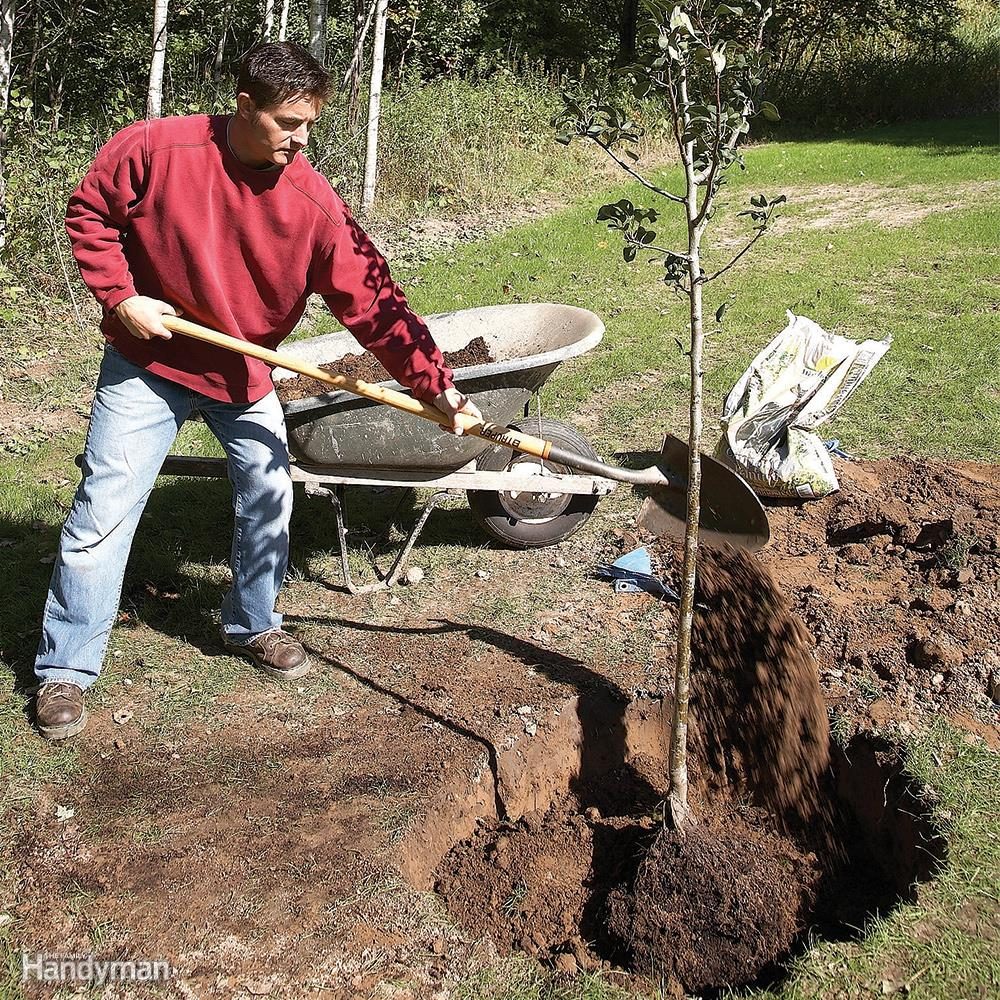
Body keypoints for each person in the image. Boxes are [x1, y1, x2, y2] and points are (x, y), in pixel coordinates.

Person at [32, 41, 481, 740]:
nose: (302, 141)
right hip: (147, 363)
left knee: (270, 495)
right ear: (245, 106)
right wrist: (120, 296)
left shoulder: (311, 204)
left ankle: (252, 624)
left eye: (310, 126)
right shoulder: (155, 149)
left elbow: (375, 304)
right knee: (104, 510)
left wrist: (439, 385)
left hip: (242, 373)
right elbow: (90, 214)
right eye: (289, 124)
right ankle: (65, 668)